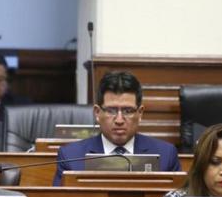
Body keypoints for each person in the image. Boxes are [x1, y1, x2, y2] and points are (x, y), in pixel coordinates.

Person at [53, 71, 181, 185]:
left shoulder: (166, 155)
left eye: (128, 111)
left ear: (140, 113)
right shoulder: (71, 157)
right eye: (111, 110)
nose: (119, 120)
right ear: (97, 112)